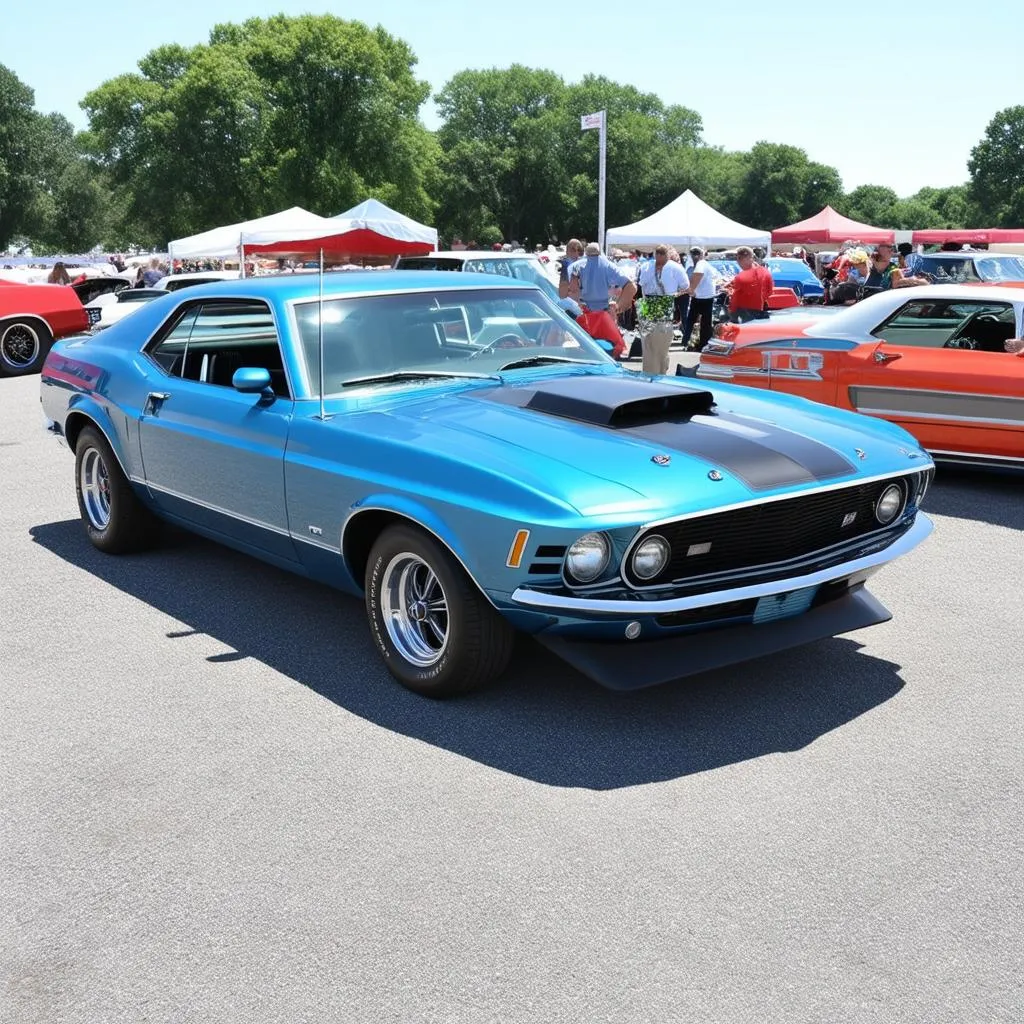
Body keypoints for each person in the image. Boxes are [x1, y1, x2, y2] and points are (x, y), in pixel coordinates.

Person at [636, 244, 689, 374]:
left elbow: (640, 285)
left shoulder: (646, 266)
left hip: (649, 305)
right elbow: (686, 287)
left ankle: (652, 372)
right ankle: (657, 372)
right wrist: (674, 295)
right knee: (658, 343)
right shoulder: (675, 268)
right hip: (661, 305)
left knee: (651, 343)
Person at [567, 242, 637, 318]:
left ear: (585, 252)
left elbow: (567, 291)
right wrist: (617, 307)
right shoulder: (608, 266)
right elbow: (631, 287)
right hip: (602, 315)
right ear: (600, 252)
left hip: (579, 313)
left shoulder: (573, 266)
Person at [726, 246, 773, 323]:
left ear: (745, 258)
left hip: (745, 313)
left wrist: (731, 311)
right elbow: (769, 291)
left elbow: (735, 298)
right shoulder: (765, 272)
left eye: (739, 258)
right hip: (761, 311)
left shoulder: (741, 276)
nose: (737, 262)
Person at [682, 246, 716, 351]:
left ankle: (693, 342)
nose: (695, 256)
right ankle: (699, 343)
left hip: (702, 297)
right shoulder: (703, 264)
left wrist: (691, 289)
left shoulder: (700, 264)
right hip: (704, 297)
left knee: (693, 321)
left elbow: (698, 275)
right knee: (703, 322)